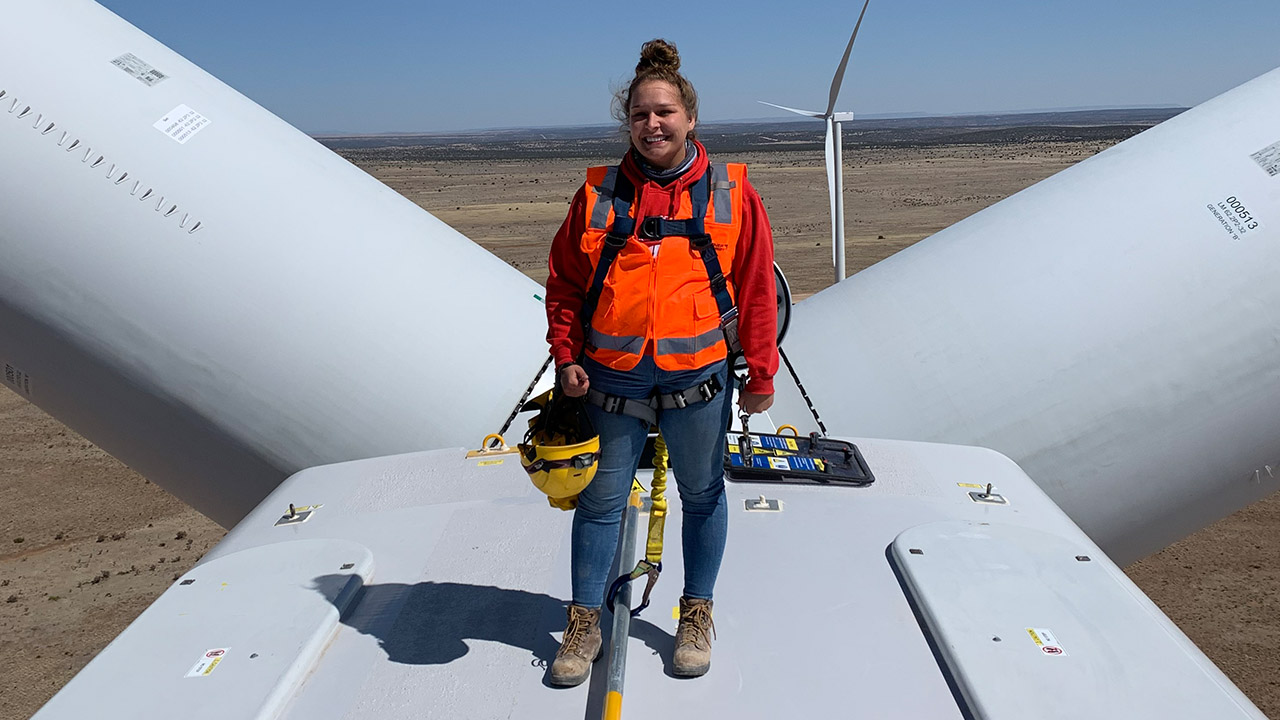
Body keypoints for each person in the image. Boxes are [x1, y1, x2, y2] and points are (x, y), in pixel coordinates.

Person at [543, 38, 778, 685]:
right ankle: (584, 620)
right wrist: (566, 356)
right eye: (642, 114)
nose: (654, 124)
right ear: (629, 122)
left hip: (698, 378)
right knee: (600, 502)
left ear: (690, 118)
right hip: (611, 378)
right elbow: (564, 283)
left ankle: (696, 612)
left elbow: (757, 288)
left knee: (702, 494)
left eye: (665, 112)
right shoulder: (597, 196)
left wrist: (761, 372)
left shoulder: (730, 195)